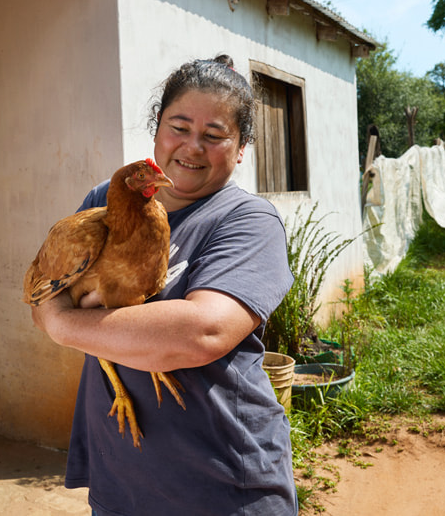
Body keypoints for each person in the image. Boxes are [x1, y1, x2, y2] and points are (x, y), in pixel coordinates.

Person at [31, 55, 297, 516]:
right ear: (156, 129)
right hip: (123, 482)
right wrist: (70, 318)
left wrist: (64, 324)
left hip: (222, 485)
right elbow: (44, 291)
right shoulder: (103, 203)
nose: (192, 148)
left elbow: (200, 334)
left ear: (240, 148)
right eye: (179, 127)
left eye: (214, 136)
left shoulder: (247, 221)